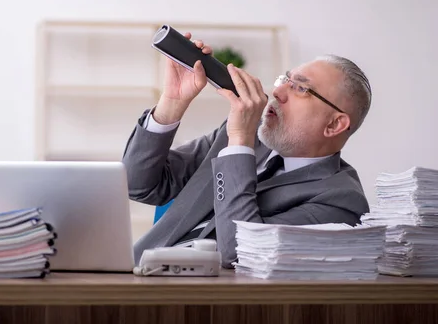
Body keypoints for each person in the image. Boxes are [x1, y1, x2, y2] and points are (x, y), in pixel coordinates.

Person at [122, 32, 372, 268]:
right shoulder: (238, 137)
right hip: (133, 275)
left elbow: (241, 253)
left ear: (334, 124)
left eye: (300, 88)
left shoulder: (341, 203)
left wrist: (240, 141)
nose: (278, 91)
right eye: (286, 79)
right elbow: (137, 184)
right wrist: (171, 104)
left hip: (204, 306)